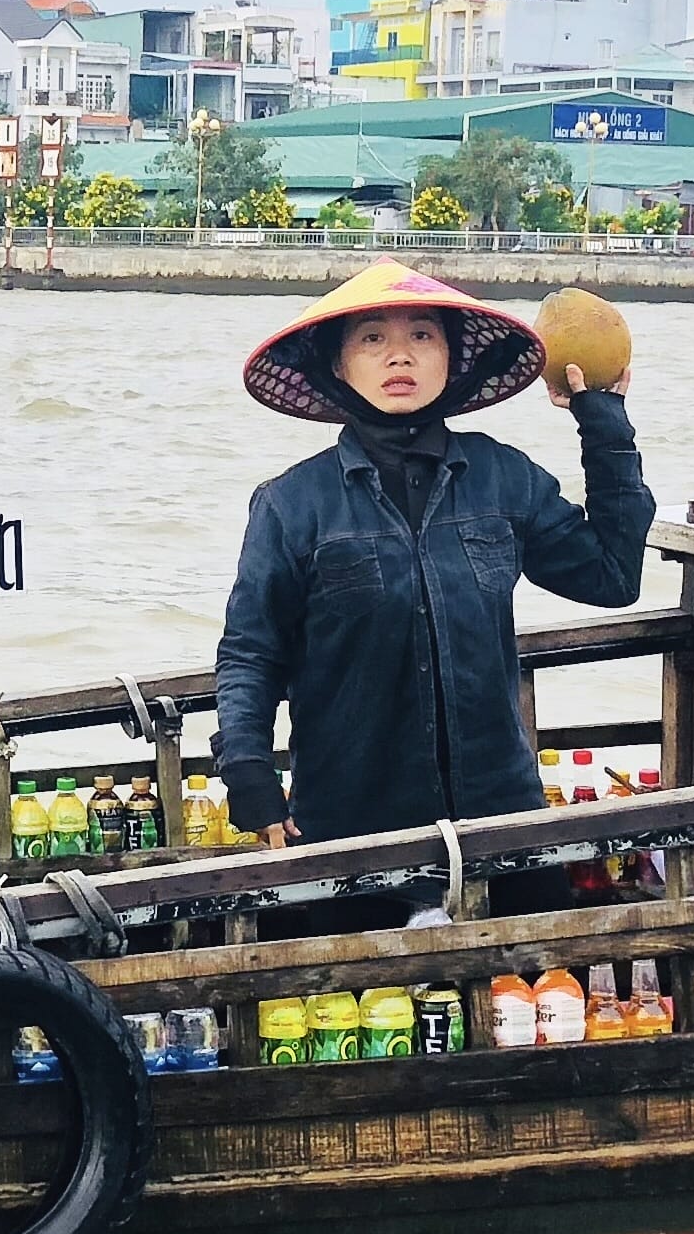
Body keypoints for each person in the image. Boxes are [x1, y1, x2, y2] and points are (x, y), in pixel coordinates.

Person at [212, 260, 651, 850]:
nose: (400, 356)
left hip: (500, 821)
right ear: (338, 366)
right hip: (349, 826)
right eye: (373, 339)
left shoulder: (503, 477)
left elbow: (613, 576)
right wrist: (249, 772)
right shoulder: (292, 504)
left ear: (451, 359)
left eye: (422, 335)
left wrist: (601, 422)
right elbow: (251, 652)